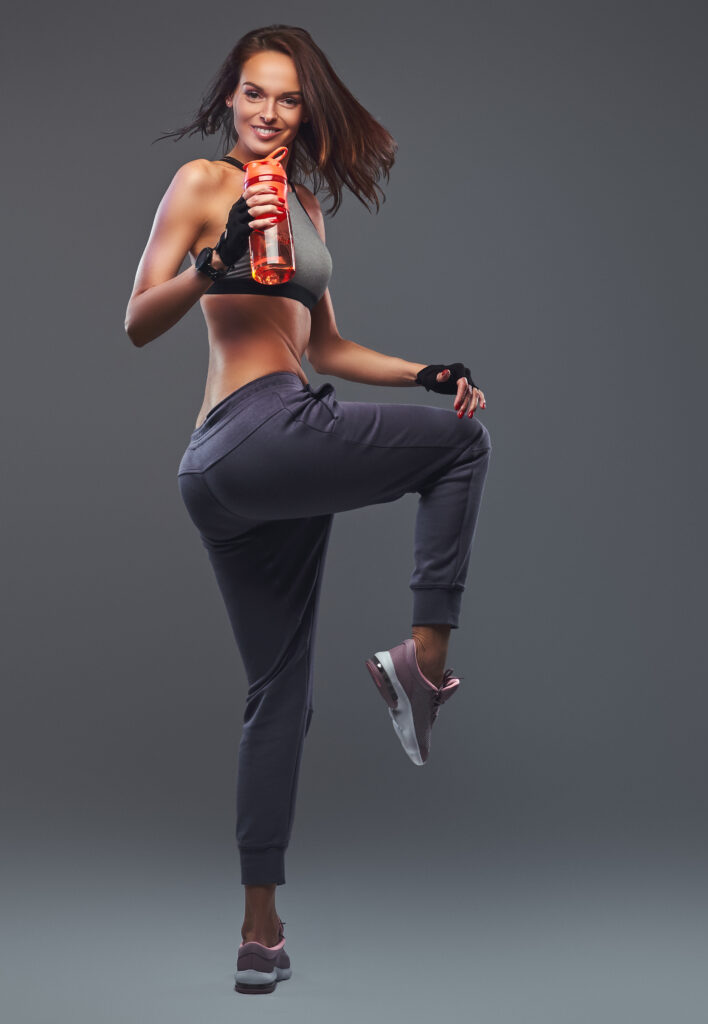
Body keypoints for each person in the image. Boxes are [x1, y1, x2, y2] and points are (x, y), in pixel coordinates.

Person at [125, 24, 491, 995]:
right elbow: (137, 319)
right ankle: (422, 664)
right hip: (255, 432)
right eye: (254, 93)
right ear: (231, 98)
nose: (270, 112)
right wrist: (215, 262)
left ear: (304, 110)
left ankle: (260, 934)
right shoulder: (205, 184)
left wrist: (425, 372)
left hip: (243, 469)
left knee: (279, 697)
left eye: (287, 98)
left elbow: (324, 349)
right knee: (461, 449)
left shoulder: (309, 210)